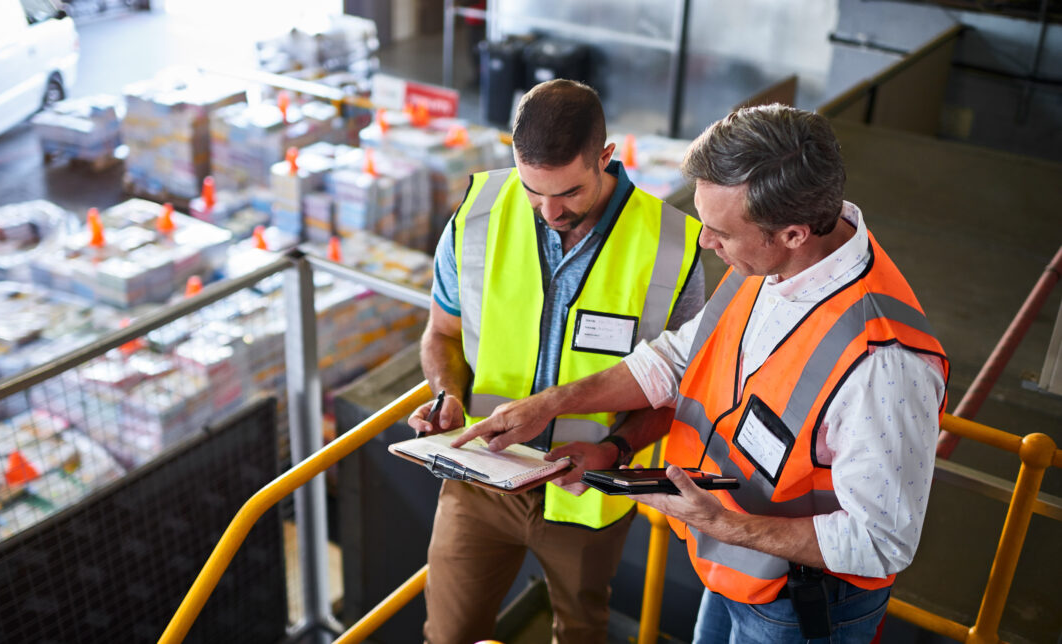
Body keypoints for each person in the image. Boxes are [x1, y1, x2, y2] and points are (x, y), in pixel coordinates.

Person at [454, 104, 950, 643]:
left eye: (719, 232)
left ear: (792, 233)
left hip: (799, 608)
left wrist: (721, 523)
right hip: (735, 568)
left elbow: (881, 542)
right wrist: (552, 405)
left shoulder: (885, 364)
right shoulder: (769, 264)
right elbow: (673, 359)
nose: (704, 243)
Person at [407, 79, 705, 644]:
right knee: (447, 636)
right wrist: (446, 395)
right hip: (481, 477)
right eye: (531, 190)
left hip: (587, 493)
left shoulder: (674, 246)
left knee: (581, 634)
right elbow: (442, 332)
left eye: (568, 192)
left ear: (605, 157)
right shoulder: (477, 215)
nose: (548, 211)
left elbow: (682, 389)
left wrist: (615, 450)